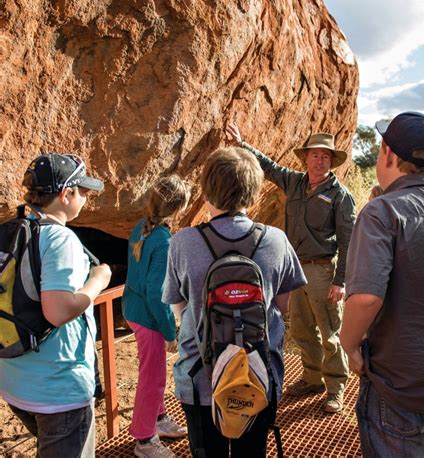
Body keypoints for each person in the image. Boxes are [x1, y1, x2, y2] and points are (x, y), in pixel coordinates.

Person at [341, 111, 424, 457]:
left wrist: (349, 344)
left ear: (386, 153)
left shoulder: (381, 212)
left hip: (395, 387)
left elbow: (366, 298)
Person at [162, 147, 306, 457]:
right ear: (254, 194)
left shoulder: (183, 242)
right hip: (257, 373)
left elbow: (178, 306)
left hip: (200, 378)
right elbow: (282, 307)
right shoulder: (276, 240)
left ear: (207, 190)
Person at [226, 123, 355, 413]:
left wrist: (341, 280)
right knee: (302, 329)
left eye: (325, 156)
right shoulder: (295, 182)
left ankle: (335, 388)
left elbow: (349, 241)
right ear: (305, 158)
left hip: (323, 271)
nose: (319, 161)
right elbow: (269, 167)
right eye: (314, 155)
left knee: (330, 331)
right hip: (294, 268)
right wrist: (241, 143)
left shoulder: (340, 196)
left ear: (331, 161)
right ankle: (312, 378)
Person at [0, 154, 112, 457]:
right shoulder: (60, 239)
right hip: (58, 390)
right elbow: (58, 311)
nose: (86, 198)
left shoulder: (14, 230)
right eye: (83, 192)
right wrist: (99, 280)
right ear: (66, 194)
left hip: (16, 380)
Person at [123, 175, 191, 458]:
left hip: (133, 310)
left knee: (154, 375)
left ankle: (159, 419)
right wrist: (169, 331)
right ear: (176, 209)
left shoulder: (143, 227)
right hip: (149, 319)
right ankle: (145, 438)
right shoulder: (164, 241)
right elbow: (156, 294)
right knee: (152, 378)